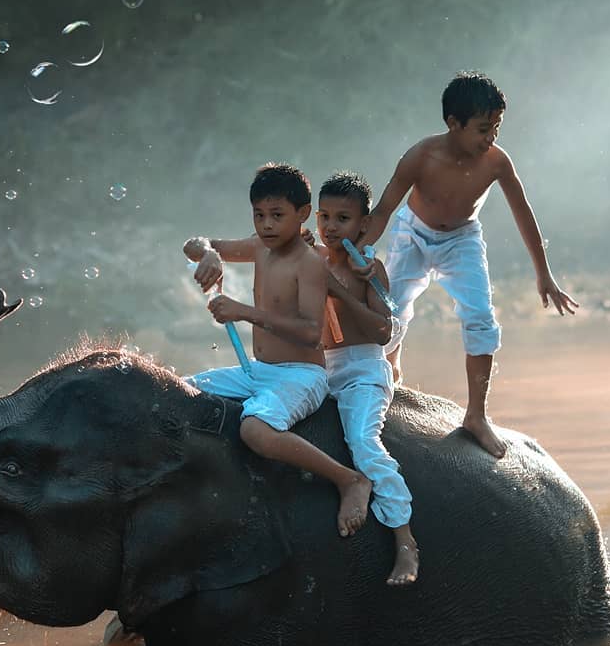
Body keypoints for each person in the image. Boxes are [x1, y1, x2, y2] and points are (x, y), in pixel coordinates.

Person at [354, 71, 578, 459]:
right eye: (482, 129)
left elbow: (523, 213)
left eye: (496, 127)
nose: (490, 137)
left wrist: (543, 273)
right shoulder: (421, 156)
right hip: (414, 234)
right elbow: (385, 209)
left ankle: (477, 415)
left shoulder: (496, 162)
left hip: (462, 240)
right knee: (392, 313)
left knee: (480, 318)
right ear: (452, 124)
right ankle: (389, 370)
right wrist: (356, 249)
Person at [183, 162, 373, 538]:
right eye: (259, 215)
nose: (266, 225)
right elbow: (193, 243)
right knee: (178, 390)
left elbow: (308, 331)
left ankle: (349, 479)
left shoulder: (310, 263)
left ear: (303, 215)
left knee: (255, 429)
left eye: (277, 216)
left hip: (301, 374)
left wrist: (243, 312)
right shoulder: (259, 247)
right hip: (259, 369)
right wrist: (208, 253)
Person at [315, 171, 418, 585]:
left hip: (362, 369)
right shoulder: (312, 261)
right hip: (320, 368)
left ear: (362, 225)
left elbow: (382, 331)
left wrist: (339, 292)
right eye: (324, 216)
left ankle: (406, 542)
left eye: (342, 219)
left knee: (362, 441)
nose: (331, 227)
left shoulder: (369, 270)